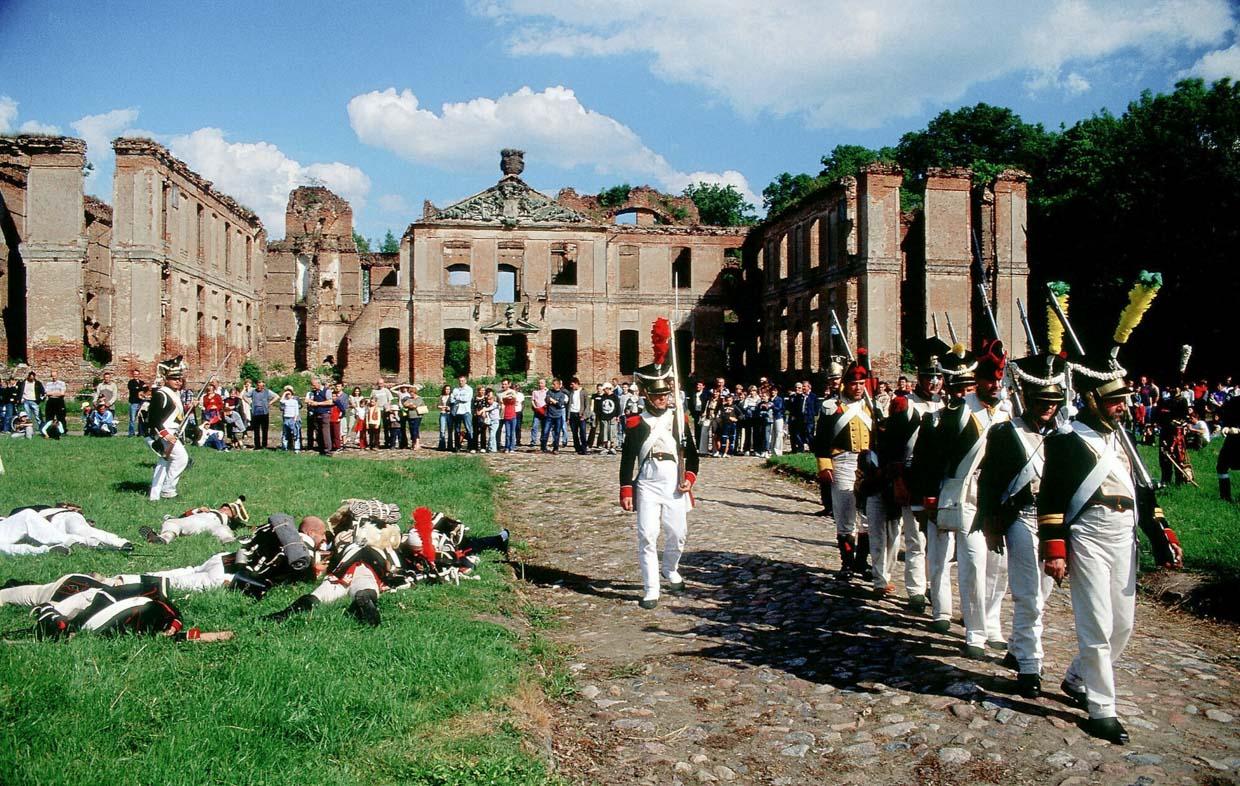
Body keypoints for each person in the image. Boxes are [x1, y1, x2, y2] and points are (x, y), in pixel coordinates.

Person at [1039, 349, 1182, 744]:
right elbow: (1050, 498)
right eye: (1114, 401)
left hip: (1124, 533)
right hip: (1088, 534)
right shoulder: (1067, 440)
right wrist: (1054, 548)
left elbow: (1144, 494)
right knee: (1097, 623)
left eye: (1123, 400)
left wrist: (1163, 534)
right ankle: (1101, 707)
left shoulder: (1123, 441)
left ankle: (1078, 676)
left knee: (1123, 624)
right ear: (1092, 400)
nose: (1122, 408)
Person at [913, 340, 1010, 657]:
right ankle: (975, 633)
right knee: (972, 563)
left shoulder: (1007, 413)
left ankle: (992, 623)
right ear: (977, 381)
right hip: (964, 495)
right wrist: (929, 494)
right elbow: (931, 458)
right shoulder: (954, 413)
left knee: (999, 565)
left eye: (999, 380)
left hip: (999, 497)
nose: (994, 385)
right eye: (988, 380)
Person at [977, 352, 1066, 698]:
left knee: (1042, 593)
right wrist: (989, 521)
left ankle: (1016, 646)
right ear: (1027, 398)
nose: (1048, 407)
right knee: (1029, 595)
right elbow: (991, 480)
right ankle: (1030, 664)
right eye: (1042, 401)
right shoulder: (1004, 432)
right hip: (1022, 517)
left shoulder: (1064, 436)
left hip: (1053, 522)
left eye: (1053, 402)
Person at [619, 319, 699, 609]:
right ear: (647, 395)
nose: (663, 399)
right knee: (647, 535)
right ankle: (651, 588)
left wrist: (690, 477)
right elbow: (628, 459)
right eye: (657, 395)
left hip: (674, 482)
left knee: (678, 534)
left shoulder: (679, 420)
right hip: (648, 483)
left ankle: (670, 568)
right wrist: (626, 489)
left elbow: (692, 454)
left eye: (665, 394)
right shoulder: (636, 423)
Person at [883, 338, 947, 613]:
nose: (933, 383)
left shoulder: (947, 406)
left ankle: (937, 586)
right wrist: (898, 481)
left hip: (939, 481)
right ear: (918, 378)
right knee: (915, 539)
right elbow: (893, 448)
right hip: (911, 476)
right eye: (928, 377)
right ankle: (916, 590)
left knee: (941, 540)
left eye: (938, 377)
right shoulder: (904, 405)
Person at [813, 352, 878, 582]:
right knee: (845, 513)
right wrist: (824, 464)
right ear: (846, 384)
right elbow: (821, 439)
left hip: (868, 464)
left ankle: (863, 561)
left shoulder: (871, 406)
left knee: (868, 515)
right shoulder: (832, 406)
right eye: (854, 384)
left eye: (861, 383)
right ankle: (847, 562)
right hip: (843, 461)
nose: (858, 388)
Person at [0, 504, 133, 556]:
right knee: (5, 546)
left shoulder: (14, 517)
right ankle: (49, 550)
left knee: (82, 530)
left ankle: (118, 543)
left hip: (60, 520)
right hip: (50, 530)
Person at [147, 357, 190, 501]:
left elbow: (176, 414)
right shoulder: (160, 394)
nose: (178, 381)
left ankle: (154, 495)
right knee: (181, 459)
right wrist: (166, 435)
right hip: (162, 435)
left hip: (173, 434)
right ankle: (168, 490)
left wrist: (190, 407)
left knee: (164, 463)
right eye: (174, 378)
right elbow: (153, 419)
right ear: (166, 379)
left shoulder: (175, 394)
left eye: (179, 379)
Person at [140, 497, 248, 546]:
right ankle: (163, 539)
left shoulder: (228, 521)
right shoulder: (209, 509)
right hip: (194, 520)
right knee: (172, 522)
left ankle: (229, 541)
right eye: (225, 506)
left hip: (214, 524)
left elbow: (247, 526)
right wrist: (197, 510)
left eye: (229, 510)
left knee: (223, 529)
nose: (225, 508)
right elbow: (183, 516)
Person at [1217, 392, 1240, 502]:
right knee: (1221, 466)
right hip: (1233, 439)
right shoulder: (1234, 401)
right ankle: (1225, 497)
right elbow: (1227, 418)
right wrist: (1225, 427)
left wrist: (1239, 430)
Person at [542, 378, 568, 453]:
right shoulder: (549, 392)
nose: (552, 385)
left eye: (554, 384)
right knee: (545, 432)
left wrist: (553, 401)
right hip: (549, 415)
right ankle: (543, 447)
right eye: (552, 384)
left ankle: (555, 448)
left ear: (559, 385)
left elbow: (560, 405)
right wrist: (553, 401)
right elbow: (546, 400)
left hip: (558, 416)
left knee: (557, 433)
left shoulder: (562, 394)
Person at [249, 380, 278, 449]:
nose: (260, 387)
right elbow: (244, 396)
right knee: (256, 430)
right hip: (255, 412)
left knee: (265, 429)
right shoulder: (253, 391)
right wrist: (250, 403)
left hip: (264, 412)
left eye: (262, 386)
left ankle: (264, 445)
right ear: (257, 385)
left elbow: (276, 396)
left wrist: (270, 403)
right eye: (259, 386)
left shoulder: (267, 391)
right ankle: (257, 445)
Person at [449, 375, 473, 452]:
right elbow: (451, 399)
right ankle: (457, 446)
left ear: (465, 381)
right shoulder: (455, 389)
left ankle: (470, 446)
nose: (461, 382)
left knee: (469, 429)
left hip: (466, 411)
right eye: (460, 380)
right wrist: (458, 398)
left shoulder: (469, 389)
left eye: (462, 380)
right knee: (457, 430)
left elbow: (466, 399)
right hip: (457, 412)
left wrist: (457, 398)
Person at [594, 381, 619, 454]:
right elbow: (599, 407)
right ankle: (605, 447)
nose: (604, 391)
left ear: (609, 389)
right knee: (604, 433)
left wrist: (617, 416)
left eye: (605, 389)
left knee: (612, 432)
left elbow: (617, 407)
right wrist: (599, 416)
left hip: (612, 417)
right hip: (604, 417)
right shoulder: (603, 397)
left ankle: (612, 447)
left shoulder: (615, 397)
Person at [567, 377, 589, 455]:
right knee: (574, 433)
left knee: (582, 432)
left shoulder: (583, 392)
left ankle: (584, 448)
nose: (571, 386)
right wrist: (568, 416)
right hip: (573, 414)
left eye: (572, 384)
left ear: (576, 383)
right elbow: (569, 405)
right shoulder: (571, 392)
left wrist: (584, 415)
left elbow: (587, 405)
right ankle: (577, 448)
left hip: (580, 415)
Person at [279, 386, 301, 451]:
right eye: (287, 394)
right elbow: (281, 401)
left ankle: (297, 448)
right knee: (285, 434)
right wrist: (284, 394)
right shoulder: (285, 401)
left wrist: (295, 418)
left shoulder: (294, 401)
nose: (288, 395)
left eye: (289, 394)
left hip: (292, 418)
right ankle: (284, 447)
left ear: (292, 395)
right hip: (286, 418)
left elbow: (296, 410)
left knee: (295, 434)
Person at [529, 378, 548, 447]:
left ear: (545, 384)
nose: (540, 384)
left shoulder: (547, 391)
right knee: (534, 426)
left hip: (544, 411)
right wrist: (535, 407)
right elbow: (532, 400)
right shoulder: (535, 392)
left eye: (542, 383)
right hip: (537, 411)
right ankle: (533, 441)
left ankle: (543, 440)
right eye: (539, 383)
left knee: (544, 427)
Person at [126, 369, 144, 436]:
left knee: (140, 418)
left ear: (139, 375)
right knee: (132, 419)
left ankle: (140, 432)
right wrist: (139, 388)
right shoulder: (131, 382)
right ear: (133, 375)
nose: (136, 375)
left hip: (141, 403)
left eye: (137, 374)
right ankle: (131, 433)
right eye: (134, 374)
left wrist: (138, 388)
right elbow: (132, 389)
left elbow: (146, 388)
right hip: (134, 403)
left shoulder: (142, 382)